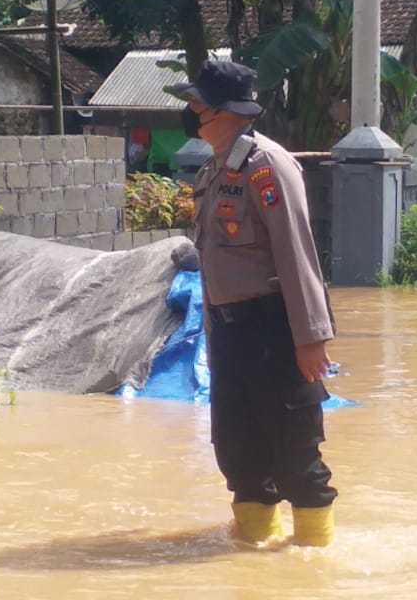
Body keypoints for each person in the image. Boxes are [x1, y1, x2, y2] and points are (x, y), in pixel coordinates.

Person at [173, 60, 337, 547]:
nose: (190, 110)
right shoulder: (214, 170)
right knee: (238, 452)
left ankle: (312, 565)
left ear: (222, 111)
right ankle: (253, 557)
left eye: (197, 102)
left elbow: (296, 250)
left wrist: (310, 338)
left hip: (272, 327)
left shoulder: (266, 165)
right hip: (228, 332)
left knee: (294, 455)